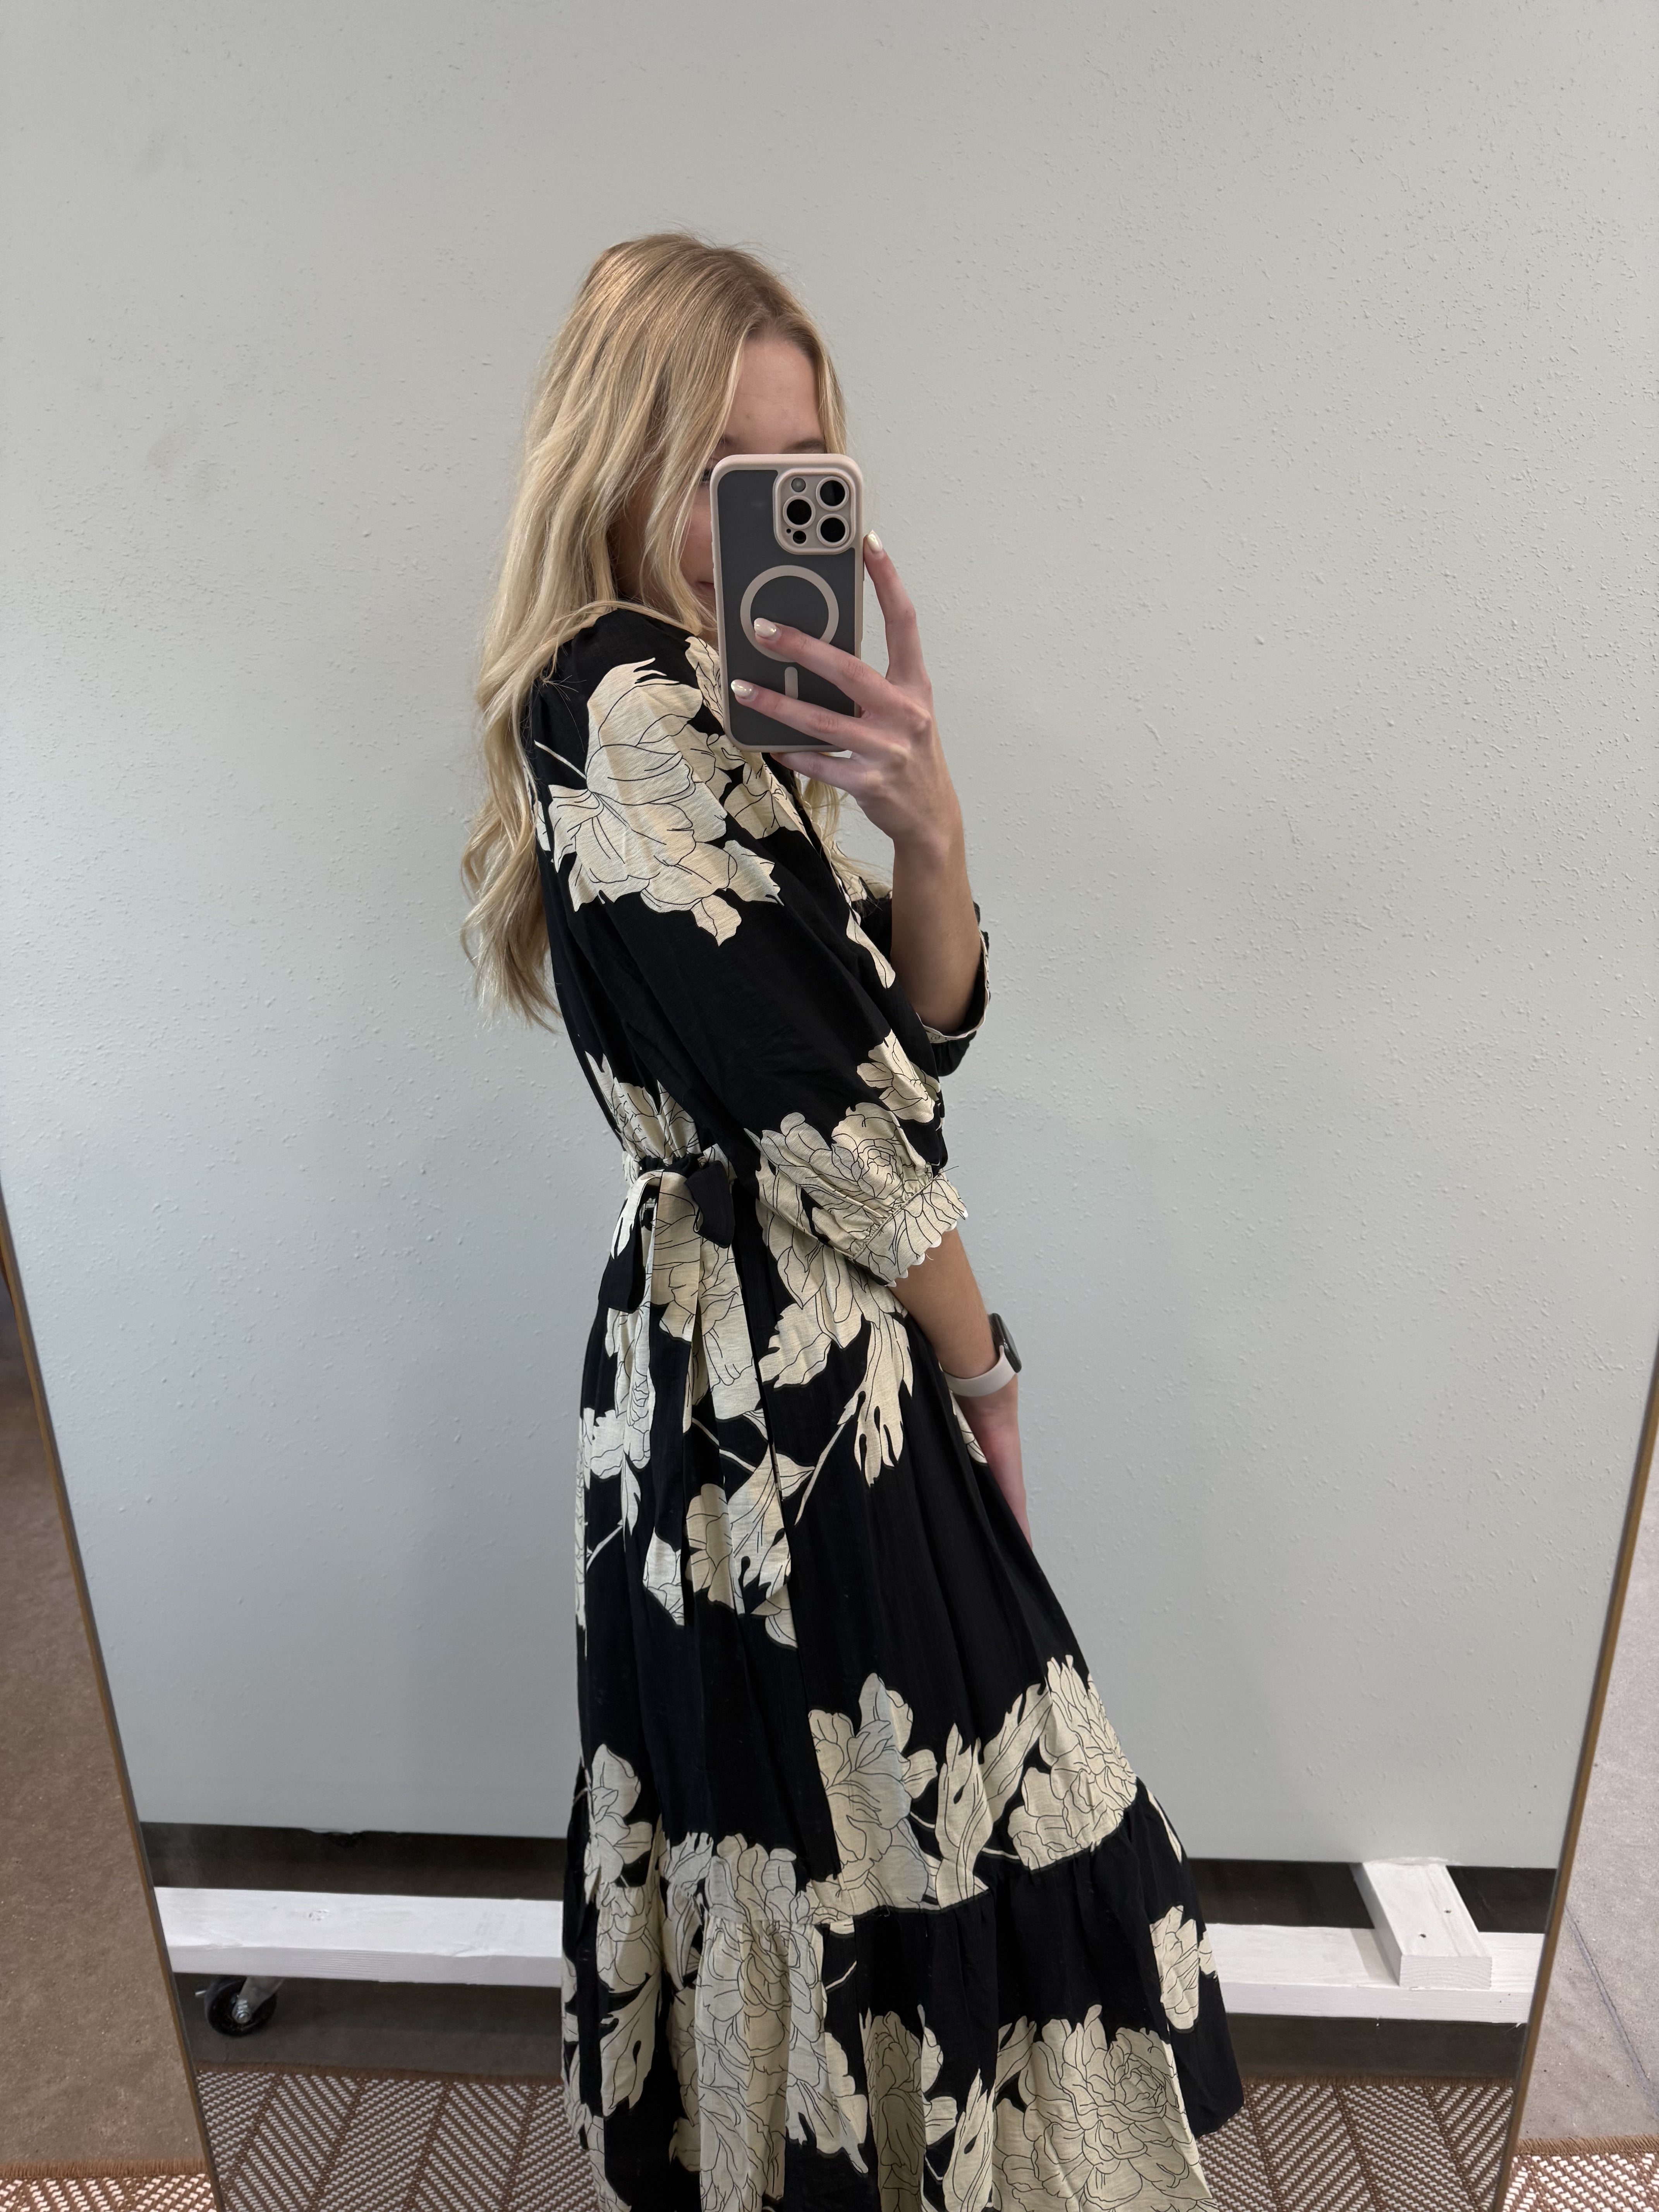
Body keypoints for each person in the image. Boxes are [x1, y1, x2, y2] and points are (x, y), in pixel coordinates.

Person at [463, 232, 1242, 2212]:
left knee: (884, 1824)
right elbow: (852, 1120)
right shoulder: (620, 697)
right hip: (778, 1366)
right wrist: (989, 1371)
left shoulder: (729, 708)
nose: (758, 512)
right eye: (719, 462)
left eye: (796, 466)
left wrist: (932, 817)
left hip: (795, 1346)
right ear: (617, 445)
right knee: (900, 1816)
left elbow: (923, 1029)